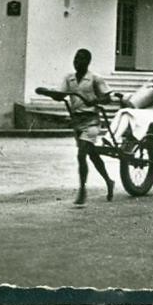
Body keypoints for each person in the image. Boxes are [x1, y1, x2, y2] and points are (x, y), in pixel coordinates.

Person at [60, 48, 115, 206]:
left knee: (81, 154)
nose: (77, 62)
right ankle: (109, 181)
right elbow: (61, 94)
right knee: (92, 155)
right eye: (76, 59)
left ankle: (82, 190)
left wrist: (95, 101)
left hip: (92, 122)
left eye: (81, 59)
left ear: (88, 62)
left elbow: (107, 98)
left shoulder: (95, 79)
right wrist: (48, 92)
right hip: (77, 122)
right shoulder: (69, 79)